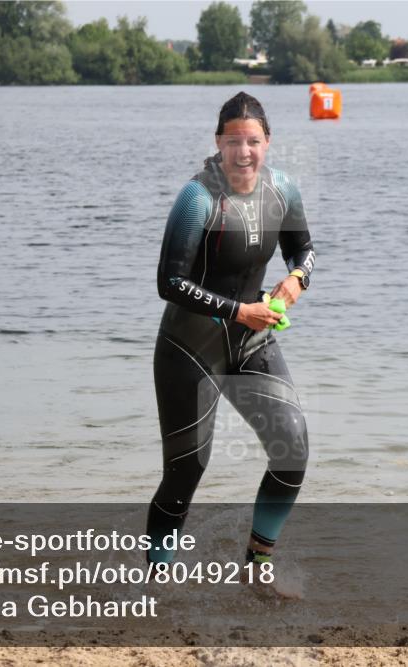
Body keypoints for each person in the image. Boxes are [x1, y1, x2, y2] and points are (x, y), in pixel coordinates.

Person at [147, 92, 316, 583]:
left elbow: (304, 249)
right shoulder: (197, 198)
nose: (245, 152)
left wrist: (297, 280)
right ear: (218, 144)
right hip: (188, 347)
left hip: (252, 340)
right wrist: (240, 310)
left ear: (268, 143)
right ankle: (158, 582)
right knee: (186, 471)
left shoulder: (283, 190)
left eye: (254, 141)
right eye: (234, 142)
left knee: (292, 449)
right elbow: (170, 284)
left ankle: (257, 563)